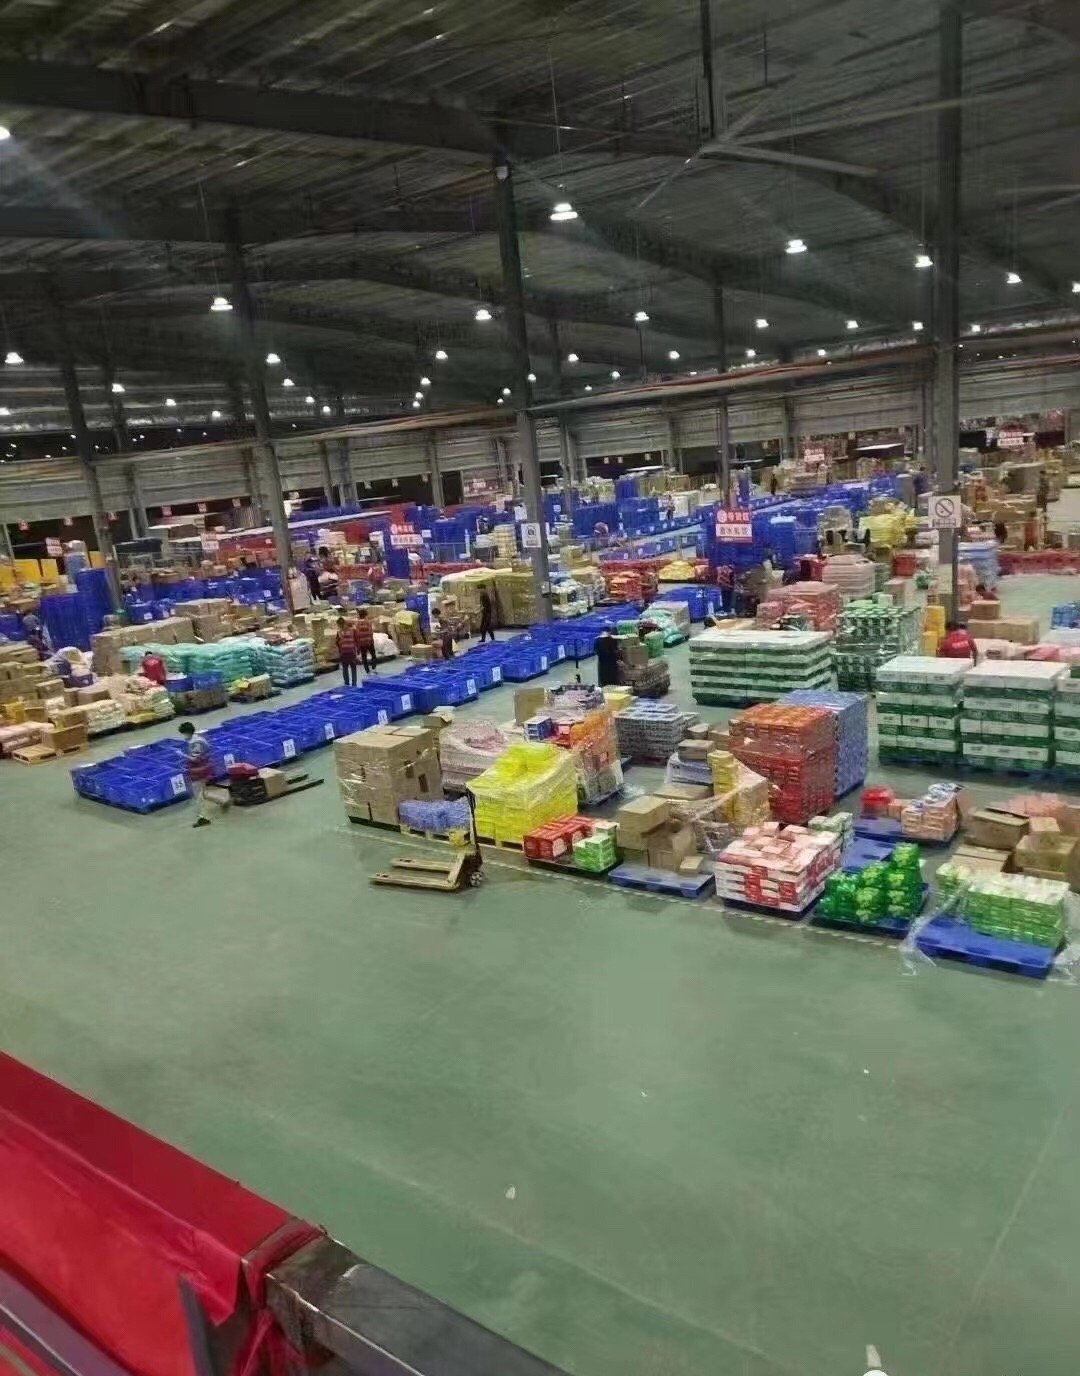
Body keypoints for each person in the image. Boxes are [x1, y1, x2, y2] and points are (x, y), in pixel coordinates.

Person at [179, 721, 217, 828]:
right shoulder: (197, 739)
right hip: (204, 768)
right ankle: (222, 801)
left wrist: (182, 755)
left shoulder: (196, 743)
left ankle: (203, 818)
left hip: (199, 771)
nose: (184, 736)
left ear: (187, 732)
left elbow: (195, 759)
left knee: (198, 796)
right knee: (203, 793)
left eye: (184, 733)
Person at [336, 615, 360, 686]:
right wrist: (358, 649)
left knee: (345, 668)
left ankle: (347, 683)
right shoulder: (353, 631)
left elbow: (337, 643)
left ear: (339, 625)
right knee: (353, 668)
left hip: (344, 653)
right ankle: (354, 683)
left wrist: (340, 650)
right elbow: (357, 640)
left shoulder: (339, 632)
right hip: (352, 652)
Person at [354, 608, 377, 674]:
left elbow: (357, 634)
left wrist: (358, 645)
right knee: (373, 655)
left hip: (362, 643)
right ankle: (373, 668)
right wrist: (371, 641)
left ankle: (367, 671)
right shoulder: (368, 622)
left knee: (364, 657)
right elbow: (370, 632)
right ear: (365, 615)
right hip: (369, 642)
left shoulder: (357, 624)